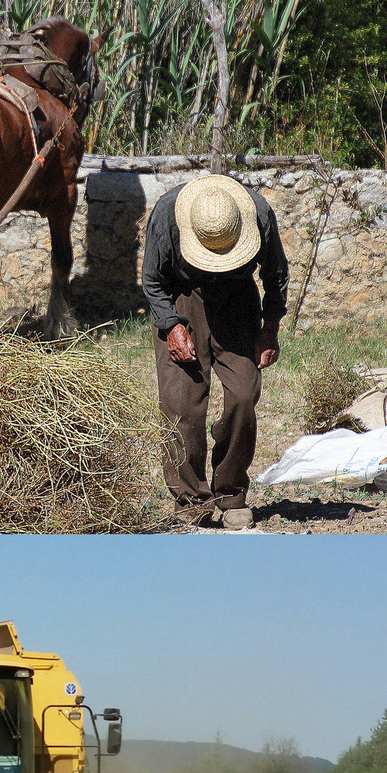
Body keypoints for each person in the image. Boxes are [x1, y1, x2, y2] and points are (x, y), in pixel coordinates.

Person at [141, 174, 289, 529]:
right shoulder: (167, 214)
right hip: (182, 297)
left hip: (237, 300)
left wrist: (269, 329)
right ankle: (192, 500)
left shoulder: (258, 213)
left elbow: (276, 276)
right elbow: (152, 279)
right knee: (182, 405)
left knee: (242, 394)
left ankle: (231, 493)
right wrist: (172, 326)